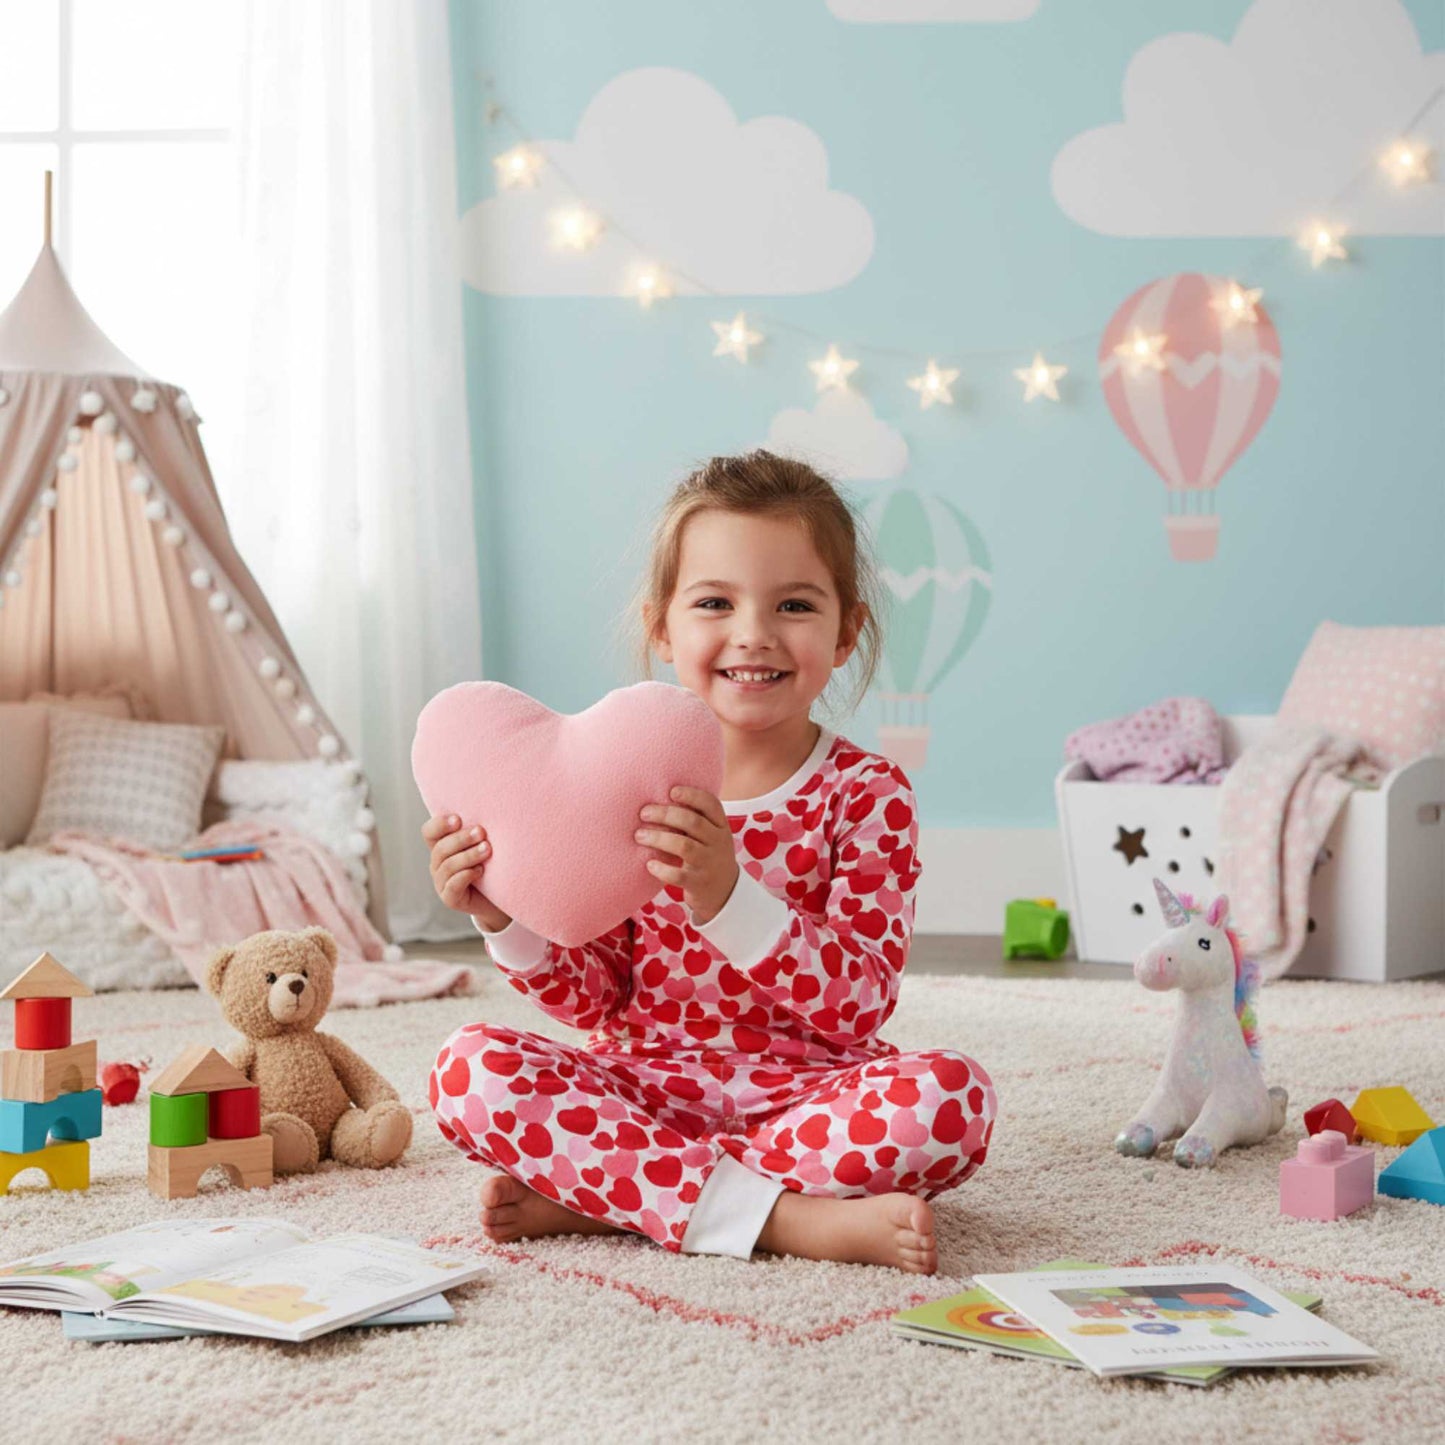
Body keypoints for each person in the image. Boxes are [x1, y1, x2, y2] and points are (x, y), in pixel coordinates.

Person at [425, 450, 995, 1273]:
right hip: (640, 1090)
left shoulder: (867, 793)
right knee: (468, 1069)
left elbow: (860, 1007)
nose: (753, 633)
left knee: (952, 1098)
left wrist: (728, 894)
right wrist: (500, 914)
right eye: (714, 603)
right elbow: (595, 997)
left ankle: (614, 1199)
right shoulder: (622, 786)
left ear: (846, 632)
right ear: (662, 626)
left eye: (794, 603)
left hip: (805, 1097)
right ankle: (786, 1221)